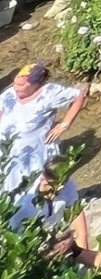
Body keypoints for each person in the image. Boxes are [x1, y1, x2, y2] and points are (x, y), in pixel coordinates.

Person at [0, 61, 86, 195]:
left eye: (21, 85)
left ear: (35, 85)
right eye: (15, 83)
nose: (16, 87)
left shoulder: (49, 93)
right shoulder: (10, 94)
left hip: (35, 153)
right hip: (8, 151)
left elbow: (78, 96)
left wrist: (64, 125)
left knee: (34, 191)